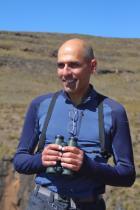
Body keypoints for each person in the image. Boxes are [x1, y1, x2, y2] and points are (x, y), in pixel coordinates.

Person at [13, 38, 136, 210]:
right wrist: (41, 159)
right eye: (60, 65)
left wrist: (88, 166)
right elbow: (19, 161)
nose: (65, 72)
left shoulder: (114, 112)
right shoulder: (40, 105)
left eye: (73, 65)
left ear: (92, 66)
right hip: (41, 204)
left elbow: (127, 175)